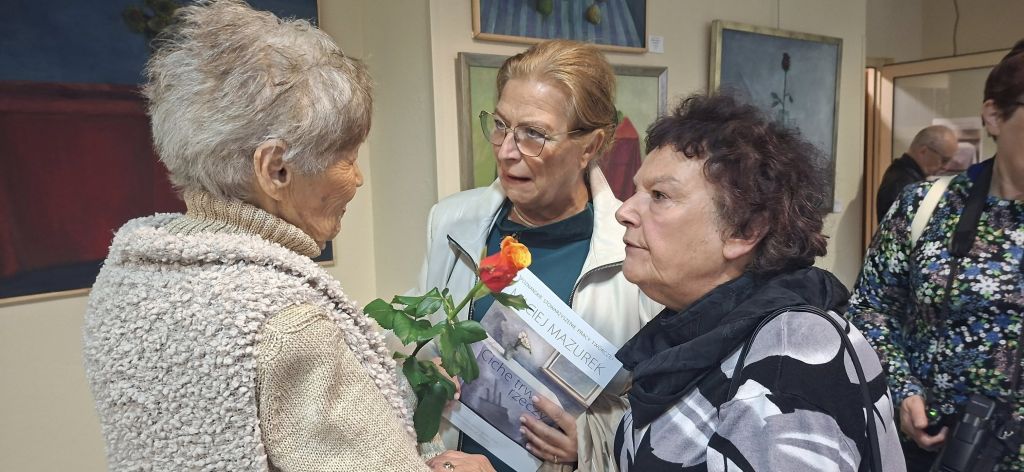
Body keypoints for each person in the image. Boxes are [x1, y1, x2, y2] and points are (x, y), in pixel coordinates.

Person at [81, 2, 492, 471]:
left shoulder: (126, 279)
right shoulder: (284, 324)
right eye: (347, 158)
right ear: (275, 169)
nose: (358, 179)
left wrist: (393, 391)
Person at [613, 93, 906, 471]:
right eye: (637, 191)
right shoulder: (703, 328)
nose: (624, 211)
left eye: (659, 196)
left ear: (745, 230)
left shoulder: (792, 355)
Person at [418, 39, 659, 471]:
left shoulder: (636, 250)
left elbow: (662, 416)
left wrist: (589, 444)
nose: (507, 150)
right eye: (501, 125)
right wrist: (424, 375)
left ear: (590, 146)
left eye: (534, 134)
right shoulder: (451, 223)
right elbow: (417, 347)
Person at [847, 40, 1024, 471]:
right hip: (939, 451)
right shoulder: (924, 206)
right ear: (994, 115)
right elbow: (870, 309)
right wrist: (903, 391)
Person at [877, 125, 959, 222]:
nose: (945, 167)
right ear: (923, 151)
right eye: (944, 160)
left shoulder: (901, 175)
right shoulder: (903, 184)